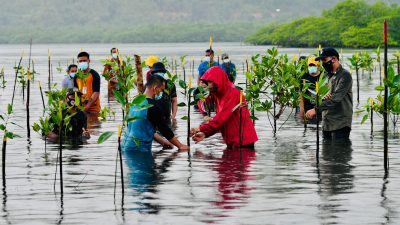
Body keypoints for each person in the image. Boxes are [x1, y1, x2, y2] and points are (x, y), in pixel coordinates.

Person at [191, 66, 258, 149]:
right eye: (207, 82)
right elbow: (201, 102)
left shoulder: (233, 93)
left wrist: (201, 128)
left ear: (218, 80)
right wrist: (205, 134)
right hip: (231, 142)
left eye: (210, 82)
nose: (208, 85)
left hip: (243, 142)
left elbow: (221, 118)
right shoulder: (217, 95)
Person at [123, 75, 188, 151]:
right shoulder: (152, 106)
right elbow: (165, 129)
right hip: (139, 149)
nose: (160, 93)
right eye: (161, 90)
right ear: (155, 88)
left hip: (126, 146)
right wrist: (180, 146)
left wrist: (162, 141)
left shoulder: (135, 102)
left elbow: (142, 127)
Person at [306, 47, 353, 140]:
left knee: (339, 152)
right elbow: (325, 95)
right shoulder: (327, 76)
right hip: (327, 122)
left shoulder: (345, 75)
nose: (323, 63)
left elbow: (336, 98)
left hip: (340, 123)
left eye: (324, 60)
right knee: (326, 153)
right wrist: (322, 97)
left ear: (334, 59)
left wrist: (315, 110)